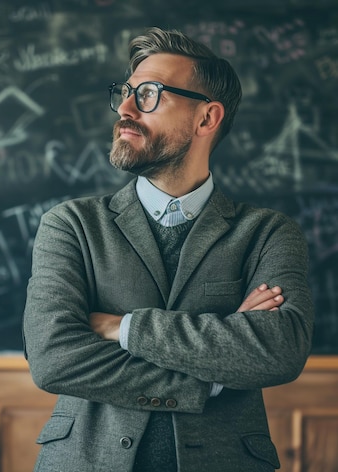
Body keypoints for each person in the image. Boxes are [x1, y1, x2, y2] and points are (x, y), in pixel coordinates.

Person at [22, 27, 314, 472]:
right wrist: (211, 378)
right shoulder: (71, 225)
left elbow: (279, 351)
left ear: (206, 118)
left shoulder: (268, 233)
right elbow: (53, 359)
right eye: (125, 92)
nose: (124, 108)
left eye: (149, 94)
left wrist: (122, 328)